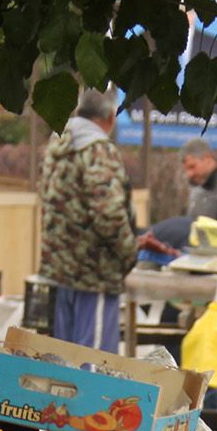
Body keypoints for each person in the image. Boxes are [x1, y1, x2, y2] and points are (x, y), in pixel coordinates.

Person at [36, 89, 142, 351]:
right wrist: (130, 252)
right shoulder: (97, 150)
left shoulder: (57, 146)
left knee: (62, 359)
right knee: (93, 360)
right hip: (94, 273)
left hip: (60, 269)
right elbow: (108, 213)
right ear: (110, 117)